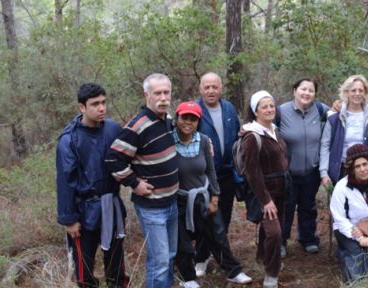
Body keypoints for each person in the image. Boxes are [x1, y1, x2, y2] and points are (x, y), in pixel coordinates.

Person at [106, 73, 179, 288]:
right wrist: (135, 183)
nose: (163, 97)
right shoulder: (138, 125)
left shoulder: (166, 120)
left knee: (169, 256)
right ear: (147, 95)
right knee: (160, 261)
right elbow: (113, 159)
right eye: (158, 93)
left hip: (171, 202)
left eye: (166, 92)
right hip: (152, 206)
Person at [56, 83, 129, 288]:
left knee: (116, 264)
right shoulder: (69, 139)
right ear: (82, 108)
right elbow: (65, 181)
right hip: (84, 212)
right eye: (95, 104)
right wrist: (69, 219)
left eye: (104, 102)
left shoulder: (113, 128)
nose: (102, 108)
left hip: (111, 206)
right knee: (84, 271)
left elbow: (131, 154)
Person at [172, 101, 252, 288]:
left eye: (193, 119)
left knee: (218, 236)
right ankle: (189, 278)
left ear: (198, 121)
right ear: (177, 118)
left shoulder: (204, 141)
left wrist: (215, 197)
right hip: (179, 199)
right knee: (182, 242)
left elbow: (210, 171)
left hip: (202, 197)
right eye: (185, 117)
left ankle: (234, 271)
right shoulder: (168, 140)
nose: (188, 122)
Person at [240, 91, 289, 288]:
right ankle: (271, 274)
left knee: (273, 231)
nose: (269, 110)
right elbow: (252, 173)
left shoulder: (274, 130)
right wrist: (265, 200)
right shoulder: (252, 136)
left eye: (271, 105)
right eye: (264, 107)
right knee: (275, 233)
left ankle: (263, 257)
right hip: (265, 193)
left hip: (282, 190)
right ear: (255, 111)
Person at [194, 72, 241, 274]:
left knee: (225, 217)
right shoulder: (195, 110)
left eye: (215, 86)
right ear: (200, 89)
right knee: (206, 219)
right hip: (203, 176)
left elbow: (237, 135)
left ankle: (218, 254)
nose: (211, 91)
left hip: (227, 174)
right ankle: (201, 258)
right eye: (207, 87)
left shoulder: (229, 108)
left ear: (221, 88)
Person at [278, 77, 329, 256]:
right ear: (294, 91)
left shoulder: (321, 110)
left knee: (308, 206)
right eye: (303, 89)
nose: (306, 93)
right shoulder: (281, 112)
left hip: (311, 171)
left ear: (315, 94)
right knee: (286, 208)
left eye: (310, 90)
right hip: (288, 172)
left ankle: (307, 238)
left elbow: (340, 116)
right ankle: (281, 242)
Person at [330, 144, 368, 282]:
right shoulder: (341, 188)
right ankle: (358, 282)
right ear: (351, 169)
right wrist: (360, 238)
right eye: (357, 166)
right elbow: (339, 218)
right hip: (348, 229)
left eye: (365, 164)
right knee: (358, 252)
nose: (362, 169)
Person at [321, 75, 368, 186]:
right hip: (341, 169)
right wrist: (324, 173)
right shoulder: (334, 116)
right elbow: (325, 145)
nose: (357, 94)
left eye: (360, 90)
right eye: (353, 90)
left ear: (365, 93)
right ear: (346, 92)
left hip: (365, 170)